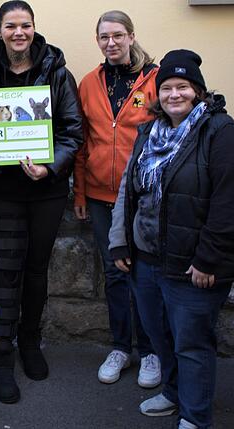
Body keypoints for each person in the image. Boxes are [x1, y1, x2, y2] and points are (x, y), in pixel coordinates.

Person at [109, 49, 234, 429]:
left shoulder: (223, 135)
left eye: (183, 87)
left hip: (193, 266)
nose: (174, 94)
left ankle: (195, 416)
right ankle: (173, 395)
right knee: (161, 335)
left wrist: (209, 260)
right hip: (147, 259)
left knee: (191, 344)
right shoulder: (149, 133)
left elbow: (229, 205)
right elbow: (130, 190)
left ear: (199, 91)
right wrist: (121, 243)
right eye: (167, 87)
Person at [0, 0, 82, 404]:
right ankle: (2, 353)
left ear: (34, 29)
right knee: (4, 271)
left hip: (44, 191)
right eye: (11, 25)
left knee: (35, 270)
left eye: (26, 25)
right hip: (1, 191)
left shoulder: (56, 71)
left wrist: (49, 168)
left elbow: (72, 131)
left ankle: (30, 342)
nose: (19, 32)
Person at [73, 10, 161, 388]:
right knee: (114, 275)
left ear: (131, 36)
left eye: (118, 35)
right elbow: (81, 141)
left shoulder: (155, 81)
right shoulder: (89, 83)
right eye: (104, 37)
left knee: (143, 275)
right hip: (98, 194)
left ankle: (152, 351)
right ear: (98, 41)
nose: (111, 42)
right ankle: (120, 347)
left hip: (141, 196)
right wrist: (79, 190)